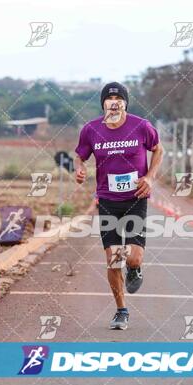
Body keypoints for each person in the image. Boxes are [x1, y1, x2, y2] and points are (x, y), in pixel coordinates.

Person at [74, 82, 164, 330]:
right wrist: (79, 168)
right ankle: (121, 310)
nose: (114, 101)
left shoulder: (141, 126)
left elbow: (158, 150)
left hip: (135, 199)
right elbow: (80, 154)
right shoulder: (91, 130)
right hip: (107, 200)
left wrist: (150, 176)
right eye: (109, 98)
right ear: (103, 103)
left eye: (118, 98)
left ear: (125, 103)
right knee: (114, 259)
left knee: (133, 258)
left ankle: (135, 270)